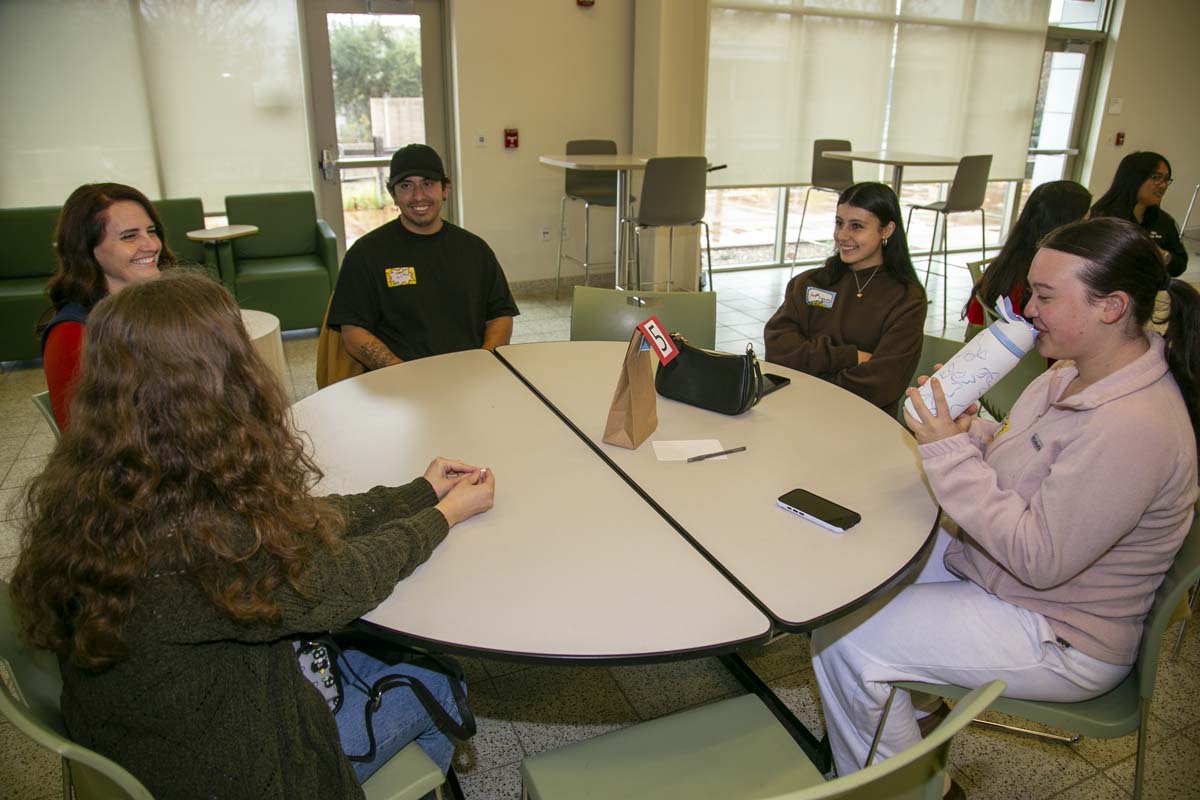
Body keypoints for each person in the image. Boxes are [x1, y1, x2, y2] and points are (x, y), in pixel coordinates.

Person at [10, 271, 497, 799]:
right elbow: (341, 585)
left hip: (147, 736)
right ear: (215, 380)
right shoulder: (197, 544)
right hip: (229, 771)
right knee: (442, 680)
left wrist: (419, 491)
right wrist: (441, 517)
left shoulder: (111, 477)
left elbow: (295, 523)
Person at [810, 218, 1199, 795]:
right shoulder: (1070, 371)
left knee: (846, 640)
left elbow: (1040, 558)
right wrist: (970, 434)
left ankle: (905, 788)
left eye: (1044, 296)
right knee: (858, 562)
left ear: (1112, 306)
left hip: (1063, 629)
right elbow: (1031, 461)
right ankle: (908, 718)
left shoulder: (1134, 426)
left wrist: (946, 450)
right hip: (1008, 576)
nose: (1026, 308)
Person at [327, 143, 519, 369]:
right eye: (406, 186)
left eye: (428, 184)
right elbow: (353, 332)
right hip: (399, 380)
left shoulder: (474, 249)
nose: (418, 196)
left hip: (471, 375)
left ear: (445, 189)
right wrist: (404, 372)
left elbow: (500, 316)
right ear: (393, 194)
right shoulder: (366, 254)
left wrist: (484, 361)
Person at [764, 182, 926, 417]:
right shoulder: (810, 283)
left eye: (857, 226)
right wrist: (850, 357)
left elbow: (882, 383)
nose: (842, 235)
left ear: (887, 230)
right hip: (795, 410)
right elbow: (778, 350)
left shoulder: (907, 299)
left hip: (862, 421)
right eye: (839, 223)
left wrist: (812, 378)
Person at [39, 182, 175, 429]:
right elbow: (88, 443)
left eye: (151, 231)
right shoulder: (72, 334)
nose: (152, 245)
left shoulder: (150, 307)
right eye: (129, 236)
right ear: (86, 249)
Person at [963, 180, 1092, 329]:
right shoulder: (1049, 272)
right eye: (1085, 219)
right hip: (1029, 344)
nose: (1089, 225)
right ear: (1066, 224)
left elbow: (975, 316)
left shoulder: (1012, 257)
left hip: (995, 338)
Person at [1090, 151, 1188, 276]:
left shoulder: (1163, 220)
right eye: (1156, 178)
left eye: (1166, 179)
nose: (1163, 185)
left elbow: (1180, 266)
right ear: (1134, 178)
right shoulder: (1103, 216)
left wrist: (1163, 256)